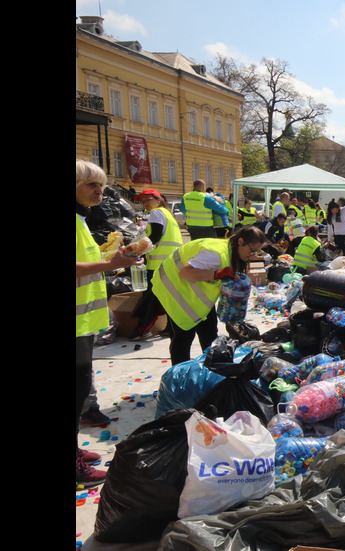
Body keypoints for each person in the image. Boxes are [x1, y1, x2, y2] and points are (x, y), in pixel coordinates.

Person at [76, 160, 142, 487]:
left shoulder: (81, 219)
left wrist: (112, 259)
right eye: (91, 184)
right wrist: (109, 262)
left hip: (83, 321)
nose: (99, 190)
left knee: (79, 388)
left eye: (100, 184)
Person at [152, 226, 266, 365]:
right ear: (241, 241)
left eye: (256, 252)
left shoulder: (231, 251)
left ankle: (212, 370)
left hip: (195, 296)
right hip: (174, 288)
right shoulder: (215, 254)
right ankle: (180, 376)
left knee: (210, 333)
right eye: (252, 251)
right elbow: (185, 273)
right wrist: (216, 275)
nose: (252, 256)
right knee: (183, 338)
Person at [132, 189, 182, 340]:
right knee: (168, 298)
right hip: (172, 262)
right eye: (143, 201)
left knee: (151, 298)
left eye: (148, 200)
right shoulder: (168, 215)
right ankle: (170, 328)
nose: (146, 204)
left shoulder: (156, 213)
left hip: (159, 264)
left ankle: (142, 330)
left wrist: (136, 250)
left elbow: (154, 236)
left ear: (158, 199)